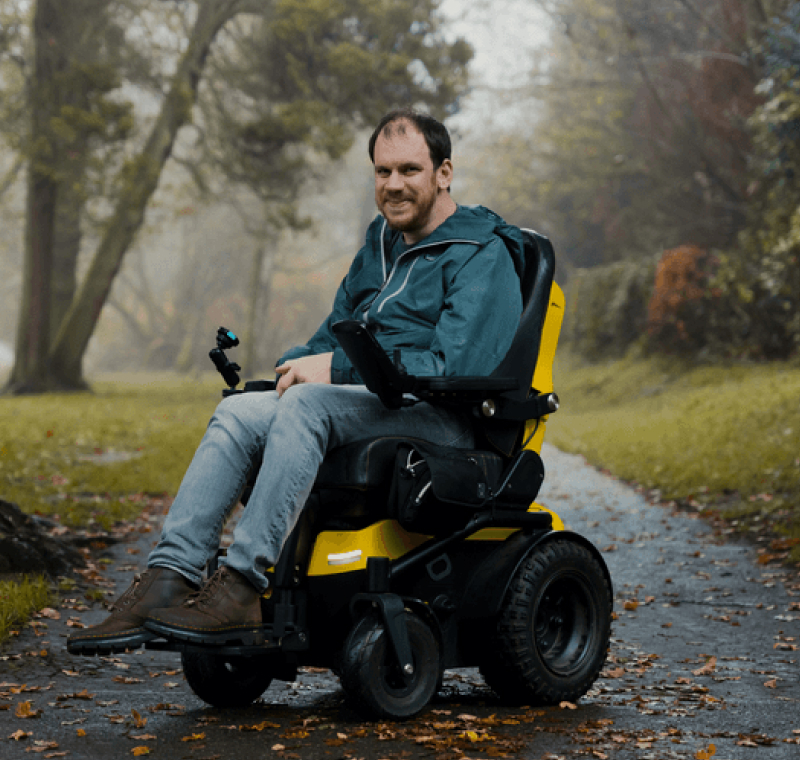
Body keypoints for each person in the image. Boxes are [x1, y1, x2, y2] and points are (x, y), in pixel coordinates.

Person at [67, 108, 525, 654]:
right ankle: (170, 576)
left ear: (444, 173)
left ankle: (242, 587)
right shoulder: (381, 244)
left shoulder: (482, 253)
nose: (393, 185)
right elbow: (335, 332)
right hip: (374, 400)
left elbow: (454, 366)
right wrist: (296, 365)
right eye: (383, 172)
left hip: (447, 418)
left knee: (307, 406)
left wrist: (334, 370)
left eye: (409, 170)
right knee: (238, 412)